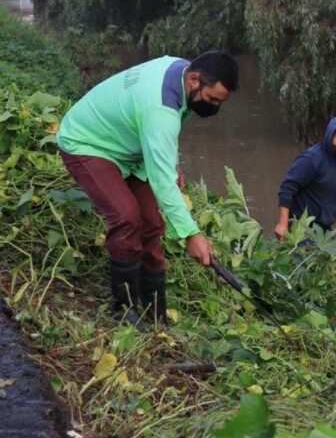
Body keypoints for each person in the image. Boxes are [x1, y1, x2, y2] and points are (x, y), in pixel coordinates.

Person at [57, 51, 239, 325]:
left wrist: (172, 161)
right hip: (89, 142)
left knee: (152, 224)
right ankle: (125, 313)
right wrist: (191, 234)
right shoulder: (160, 107)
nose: (214, 107)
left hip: (129, 147)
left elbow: (166, 134)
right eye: (212, 99)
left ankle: (155, 315)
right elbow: (163, 181)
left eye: (220, 102)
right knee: (127, 217)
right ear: (194, 79)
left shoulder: (179, 70)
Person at [275, 115, 336, 246]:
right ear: (330, 136)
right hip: (300, 226)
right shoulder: (311, 159)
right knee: (305, 264)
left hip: (324, 229)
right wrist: (283, 223)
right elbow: (287, 188)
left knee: (329, 263)